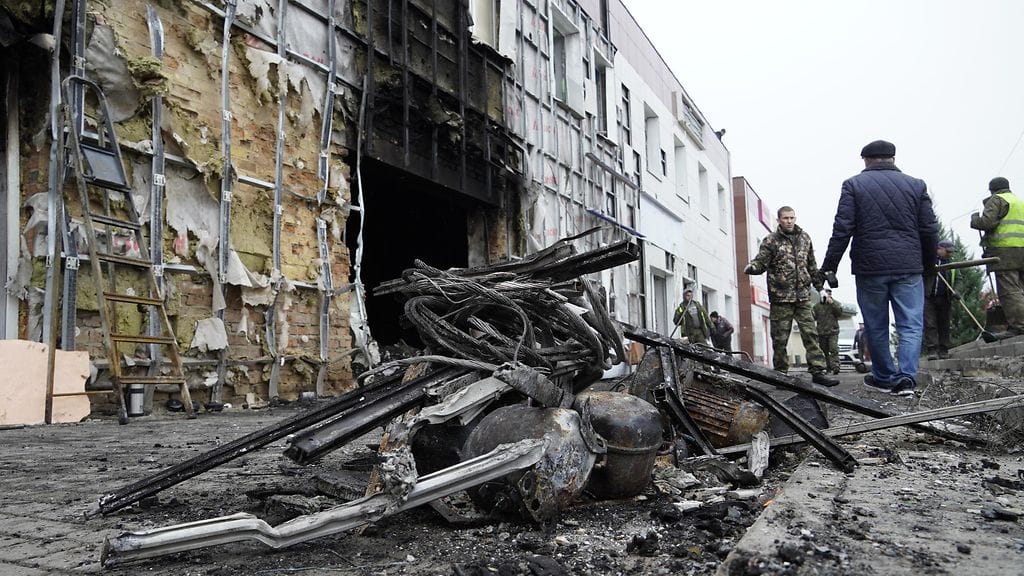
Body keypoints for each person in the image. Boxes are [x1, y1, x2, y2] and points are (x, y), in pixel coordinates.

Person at [819, 140, 939, 397]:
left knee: (876, 325)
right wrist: (929, 265)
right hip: (908, 266)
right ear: (893, 158)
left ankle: (884, 377)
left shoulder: (853, 185)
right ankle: (906, 378)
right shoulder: (916, 185)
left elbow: (842, 229)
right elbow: (929, 229)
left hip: (870, 267)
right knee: (910, 324)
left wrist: (829, 267)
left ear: (866, 160)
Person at [744, 206, 839, 386]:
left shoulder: (805, 238)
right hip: (781, 298)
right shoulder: (771, 240)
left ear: (795, 218)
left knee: (811, 334)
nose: (789, 221)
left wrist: (820, 289)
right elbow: (761, 261)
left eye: (792, 218)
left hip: (803, 297)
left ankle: (818, 372)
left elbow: (812, 267)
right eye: (785, 218)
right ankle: (781, 374)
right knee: (780, 338)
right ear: (779, 220)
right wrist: (753, 268)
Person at [970, 177, 1024, 339]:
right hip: (1022, 251)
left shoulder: (997, 200)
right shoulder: (1018, 202)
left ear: (992, 190)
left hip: (1005, 253)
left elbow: (986, 223)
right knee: (1020, 289)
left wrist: (975, 219)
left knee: (1010, 291)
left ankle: (1019, 326)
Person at [924, 240, 958, 359]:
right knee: (930, 324)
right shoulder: (929, 261)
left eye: (951, 252)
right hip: (929, 297)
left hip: (945, 298)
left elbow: (958, 279)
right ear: (939, 249)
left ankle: (944, 349)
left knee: (944, 324)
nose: (950, 254)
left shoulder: (952, 265)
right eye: (948, 252)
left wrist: (957, 291)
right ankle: (932, 350)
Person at [812, 289, 844, 374]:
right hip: (821, 332)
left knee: (833, 349)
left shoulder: (835, 304)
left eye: (829, 295)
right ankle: (827, 367)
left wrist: (832, 303)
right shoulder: (817, 306)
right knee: (823, 351)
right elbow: (813, 317)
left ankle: (835, 366)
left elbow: (839, 313)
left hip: (833, 331)